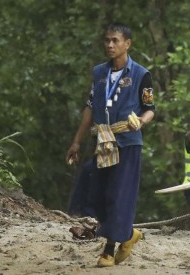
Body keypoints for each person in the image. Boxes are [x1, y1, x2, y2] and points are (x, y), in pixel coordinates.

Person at [66, 23, 156, 267]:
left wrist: (140, 123)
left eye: (115, 40)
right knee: (95, 188)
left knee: (119, 194)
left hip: (127, 142)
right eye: (107, 40)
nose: (110, 45)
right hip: (103, 141)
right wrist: (77, 140)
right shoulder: (99, 74)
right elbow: (89, 107)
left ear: (127, 43)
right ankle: (128, 235)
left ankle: (108, 249)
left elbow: (150, 110)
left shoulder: (141, 74)